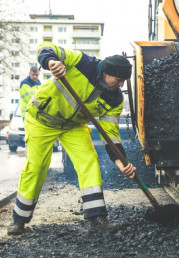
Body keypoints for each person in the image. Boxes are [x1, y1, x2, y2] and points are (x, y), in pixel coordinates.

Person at [7, 42, 136, 235]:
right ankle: (19, 220)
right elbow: (46, 47)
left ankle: (96, 217)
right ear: (106, 73)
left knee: (89, 161)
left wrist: (119, 160)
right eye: (118, 80)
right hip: (41, 120)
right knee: (36, 167)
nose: (121, 85)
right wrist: (51, 61)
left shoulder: (115, 99)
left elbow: (110, 132)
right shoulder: (83, 63)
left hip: (72, 126)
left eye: (124, 81)